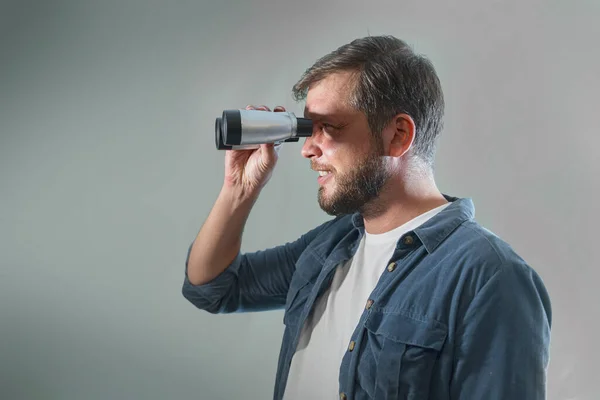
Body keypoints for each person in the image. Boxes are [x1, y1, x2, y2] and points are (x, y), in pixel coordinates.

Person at [181, 35, 552, 400]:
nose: (307, 149)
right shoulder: (331, 246)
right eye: (307, 128)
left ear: (398, 135)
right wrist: (239, 189)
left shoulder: (489, 276)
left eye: (329, 127)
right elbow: (212, 287)